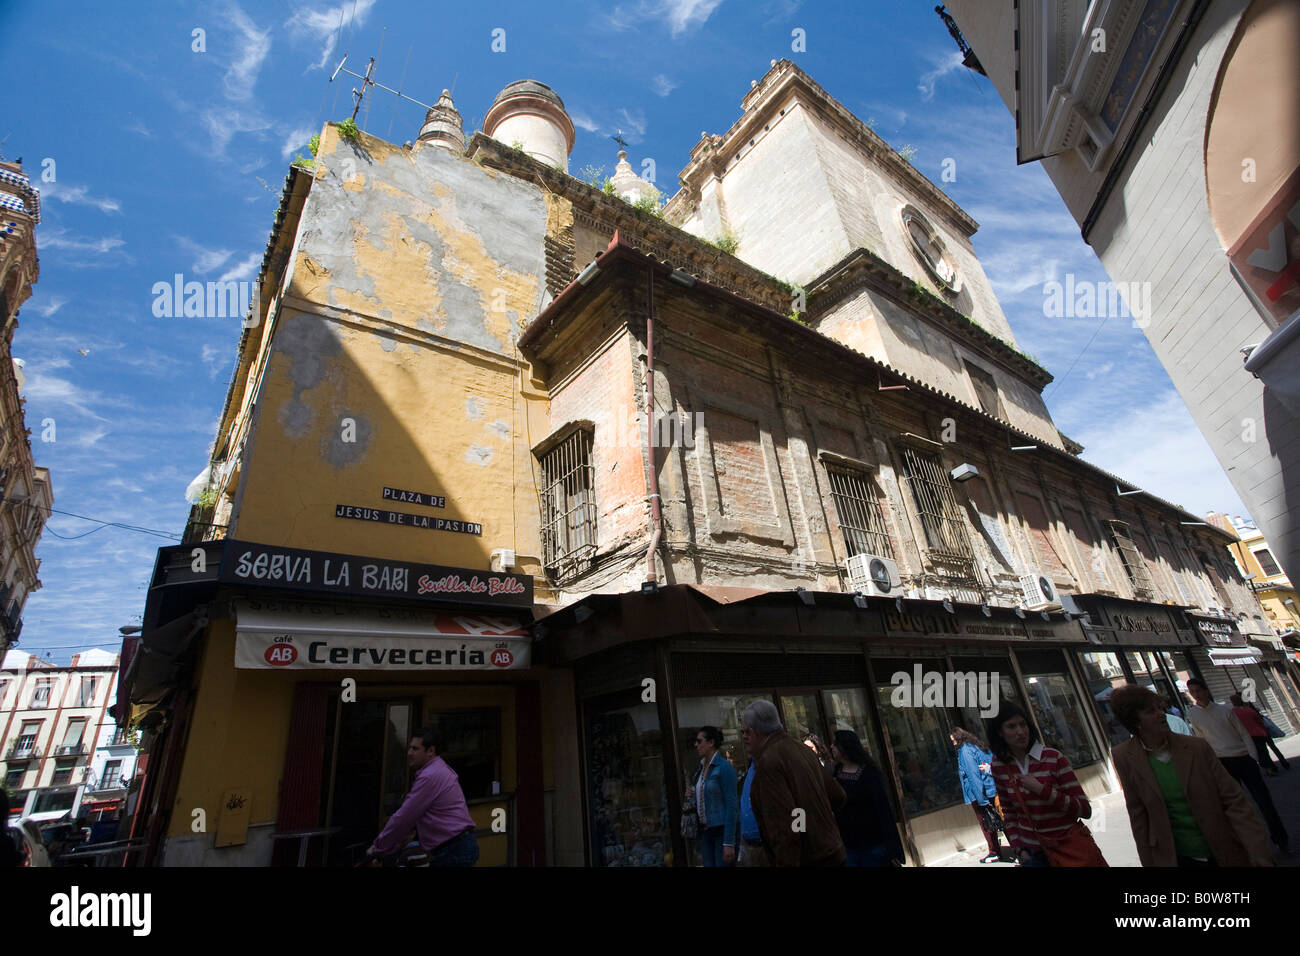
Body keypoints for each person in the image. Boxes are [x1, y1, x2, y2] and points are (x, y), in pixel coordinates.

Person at [1110, 685, 1272, 867]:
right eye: (1150, 711)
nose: (1161, 714)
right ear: (1135, 721)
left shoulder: (1196, 747)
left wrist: (1257, 850)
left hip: (1221, 848)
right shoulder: (1124, 756)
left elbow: (1234, 800)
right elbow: (1138, 815)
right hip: (1177, 856)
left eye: (1159, 708)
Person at [985, 701, 1105, 867]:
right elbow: (1009, 812)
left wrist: (1042, 790)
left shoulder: (1053, 758)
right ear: (1000, 732)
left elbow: (1084, 809)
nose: (1020, 732)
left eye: (1023, 725)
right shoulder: (999, 765)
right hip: (1033, 854)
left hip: (1067, 845)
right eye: (1011, 727)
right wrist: (1018, 848)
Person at [1185, 678, 1289, 853]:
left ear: (1206, 691)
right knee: (1235, 806)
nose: (1196, 694)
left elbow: (1243, 733)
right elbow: (1202, 739)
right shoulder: (1193, 714)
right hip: (1222, 762)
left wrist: (1252, 756)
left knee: (1264, 801)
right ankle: (1251, 845)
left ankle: (1280, 839)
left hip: (1242, 758)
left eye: (1198, 690)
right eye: (1192, 691)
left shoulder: (1226, 710)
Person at [742, 700, 845, 867]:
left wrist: (803, 829)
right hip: (831, 852)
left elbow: (785, 828)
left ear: (757, 732)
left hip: (807, 859)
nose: (744, 737)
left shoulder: (769, 762)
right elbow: (837, 795)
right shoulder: (802, 750)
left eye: (746, 731)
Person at [366, 727, 478, 867]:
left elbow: (405, 816)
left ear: (430, 751)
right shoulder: (437, 768)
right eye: (410, 748)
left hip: (453, 849)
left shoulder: (430, 776)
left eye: (415, 749)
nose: (409, 753)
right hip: (457, 846)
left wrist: (378, 847)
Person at [830, 730, 904, 866]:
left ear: (844, 746)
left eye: (835, 743)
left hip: (872, 844)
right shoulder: (835, 773)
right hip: (848, 844)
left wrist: (893, 849)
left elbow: (883, 810)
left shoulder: (868, 774)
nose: (831, 747)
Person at [687, 725, 739, 866]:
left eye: (699, 741)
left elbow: (732, 805)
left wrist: (729, 842)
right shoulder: (700, 768)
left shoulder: (724, 768)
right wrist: (692, 793)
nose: (696, 745)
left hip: (721, 830)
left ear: (711, 743)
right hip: (705, 831)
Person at [951, 728, 1002, 863]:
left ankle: (994, 851)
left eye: (953, 740)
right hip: (991, 788)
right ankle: (1017, 849)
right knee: (1001, 817)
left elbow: (973, 776)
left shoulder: (965, 751)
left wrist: (982, 800)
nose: (953, 744)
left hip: (980, 794)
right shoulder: (977, 745)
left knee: (986, 822)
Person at [1229, 694, 1288, 774]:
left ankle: (1270, 768)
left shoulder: (1233, 713)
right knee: (1266, 750)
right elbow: (1259, 720)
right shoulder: (1249, 709)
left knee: (1259, 753)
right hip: (1260, 733)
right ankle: (1279, 764)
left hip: (1249, 736)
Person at [737, 756, 766, 867]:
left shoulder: (773, 762)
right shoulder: (752, 768)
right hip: (751, 844)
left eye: (752, 736)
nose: (745, 737)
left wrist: (798, 831)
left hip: (768, 844)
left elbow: (798, 806)